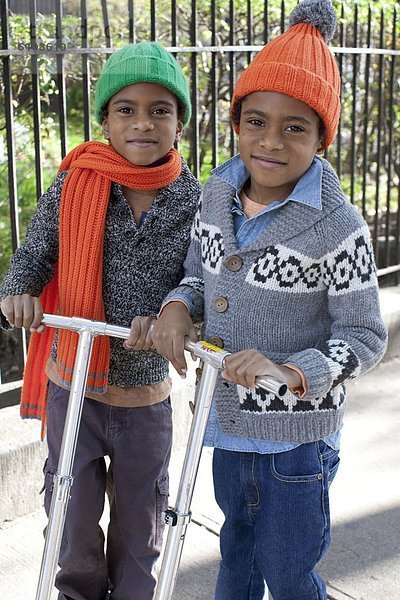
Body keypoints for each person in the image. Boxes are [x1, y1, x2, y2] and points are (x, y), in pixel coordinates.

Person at [148, 2, 388, 599]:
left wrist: (289, 371)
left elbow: (365, 336)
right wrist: (179, 305)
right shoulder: (216, 197)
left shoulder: (337, 226)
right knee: (236, 562)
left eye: (295, 127)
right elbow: (199, 278)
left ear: (321, 137)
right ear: (235, 125)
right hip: (227, 430)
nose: (271, 141)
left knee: (287, 574)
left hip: (297, 444)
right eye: (255, 121)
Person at [0, 41, 201, 600]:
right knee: (71, 516)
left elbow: (202, 277)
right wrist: (19, 292)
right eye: (126, 110)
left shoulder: (196, 198)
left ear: (179, 124)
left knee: (144, 525)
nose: (143, 123)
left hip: (145, 397)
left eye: (160, 110)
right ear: (105, 121)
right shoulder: (75, 184)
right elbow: (37, 252)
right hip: (77, 385)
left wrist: (173, 313)